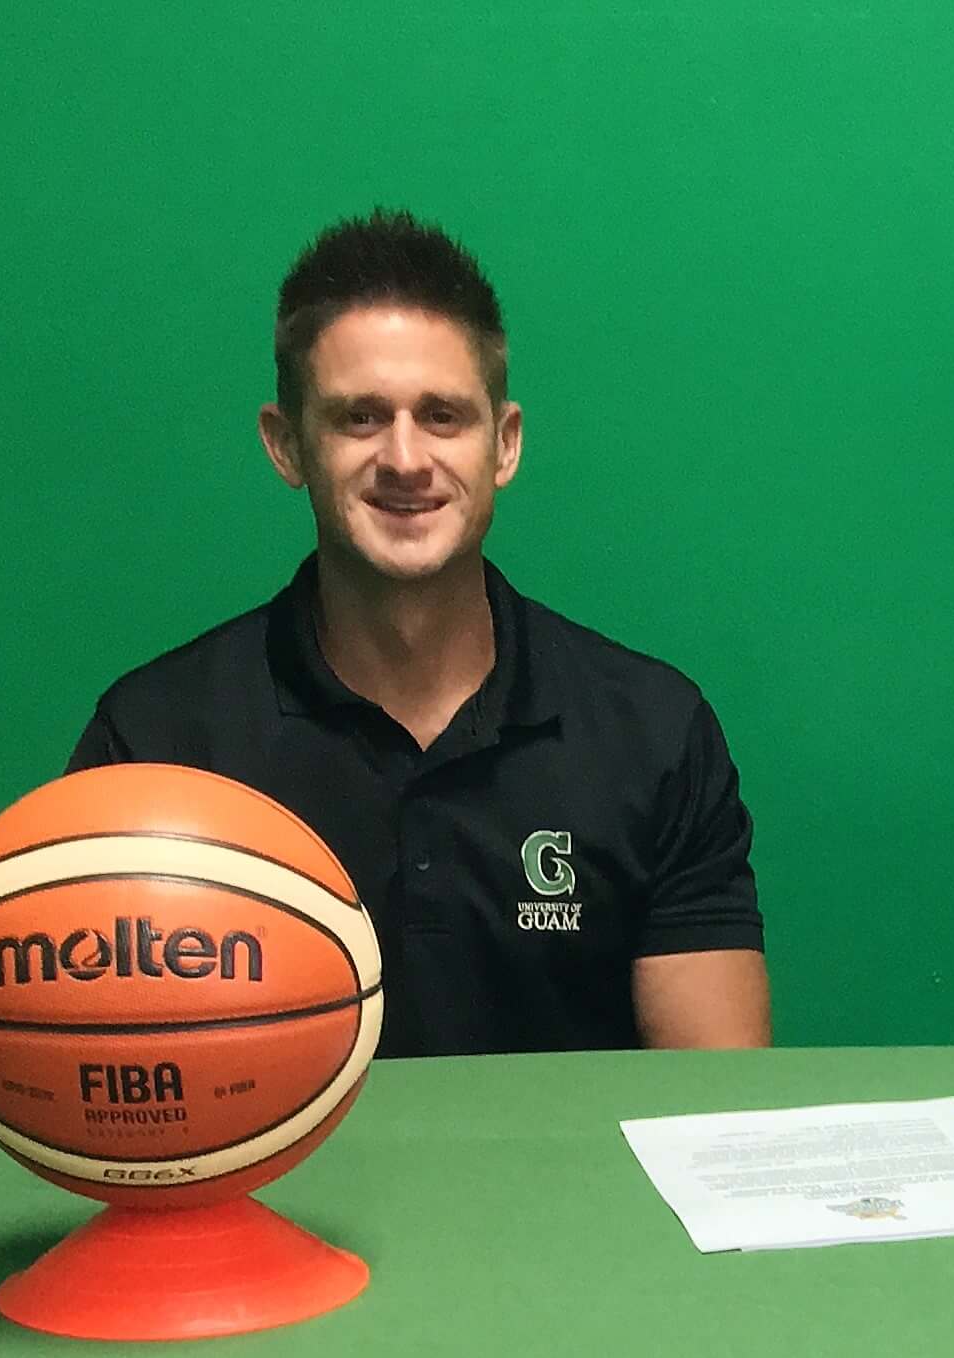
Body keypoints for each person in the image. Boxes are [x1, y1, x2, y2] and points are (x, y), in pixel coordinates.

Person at [72, 212, 769, 1058]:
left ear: (503, 445)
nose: (405, 458)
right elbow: (103, 1082)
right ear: (286, 444)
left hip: (566, 1194)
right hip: (273, 1196)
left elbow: (715, 1108)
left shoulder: (653, 732)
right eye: (359, 417)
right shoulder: (157, 742)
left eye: (443, 416)